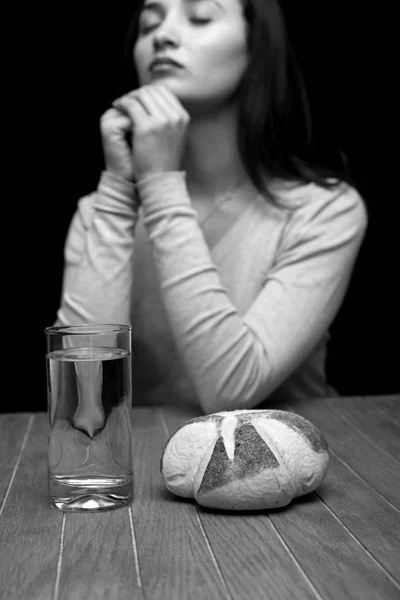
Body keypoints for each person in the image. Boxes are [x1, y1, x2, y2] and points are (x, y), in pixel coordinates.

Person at [55, 0, 368, 413]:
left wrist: (162, 186)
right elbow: (81, 394)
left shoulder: (324, 211)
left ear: (258, 48)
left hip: (291, 461)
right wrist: (117, 196)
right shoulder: (99, 213)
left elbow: (233, 391)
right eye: (149, 25)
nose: (162, 36)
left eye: (199, 17)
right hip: (145, 460)